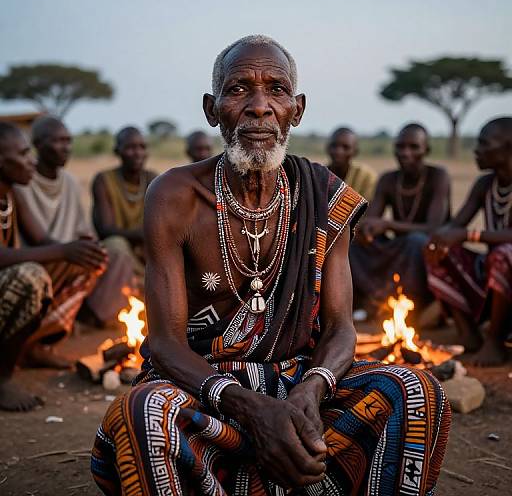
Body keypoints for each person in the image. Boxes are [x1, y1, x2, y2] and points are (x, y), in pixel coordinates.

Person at [91, 36, 450, 495]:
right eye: (239, 89)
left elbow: (341, 328)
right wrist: (251, 407)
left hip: (301, 385)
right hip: (207, 389)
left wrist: (310, 392)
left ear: (296, 110)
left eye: (276, 90)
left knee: (417, 393)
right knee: (142, 413)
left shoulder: (324, 194)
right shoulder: (174, 196)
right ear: (211, 108)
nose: (259, 107)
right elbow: (162, 344)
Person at [0, 122, 105, 410]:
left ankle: (35, 346)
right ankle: (3, 378)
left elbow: (42, 240)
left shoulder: (11, 193)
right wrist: (62, 250)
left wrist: (76, 249)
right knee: (28, 277)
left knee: (86, 262)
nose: (30, 161)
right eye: (22, 154)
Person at [14, 116, 135, 327]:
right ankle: (47, 331)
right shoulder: (22, 181)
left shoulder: (69, 182)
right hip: (45, 255)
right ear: (38, 144)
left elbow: (82, 229)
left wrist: (87, 243)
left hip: (69, 251)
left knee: (114, 251)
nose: (66, 147)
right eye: (58, 141)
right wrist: (70, 250)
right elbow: (38, 238)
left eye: (68, 141)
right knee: (82, 262)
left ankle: (92, 318)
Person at [426, 117, 512, 366]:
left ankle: (495, 341)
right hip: (493, 271)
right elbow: (455, 226)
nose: (476, 150)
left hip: (504, 267)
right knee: (436, 248)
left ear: (508, 148)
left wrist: (469, 235)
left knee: (504, 254)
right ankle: (468, 334)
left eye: (484, 144)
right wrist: (440, 237)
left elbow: (464, 232)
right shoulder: (486, 184)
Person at [350, 123, 451, 315]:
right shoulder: (388, 180)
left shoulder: (438, 177)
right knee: (353, 243)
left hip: (430, 246)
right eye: (401, 147)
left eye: (414, 147)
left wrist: (387, 224)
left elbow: (433, 227)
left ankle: (414, 304)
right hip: (401, 243)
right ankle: (373, 299)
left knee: (416, 241)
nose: (406, 153)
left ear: (426, 150)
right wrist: (367, 230)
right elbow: (371, 221)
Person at [92, 127, 157, 288]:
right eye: (130, 147)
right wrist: (138, 235)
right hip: (119, 250)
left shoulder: (154, 179)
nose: (138, 153)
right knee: (116, 244)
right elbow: (105, 229)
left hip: (146, 249)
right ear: (117, 151)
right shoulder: (104, 180)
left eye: (142, 147)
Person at [326, 126, 377, 200]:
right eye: (334, 146)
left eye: (346, 147)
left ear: (355, 151)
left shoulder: (366, 177)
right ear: (327, 148)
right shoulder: (319, 176)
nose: (338, 152)